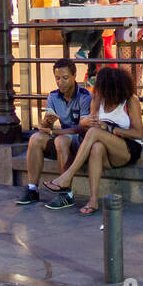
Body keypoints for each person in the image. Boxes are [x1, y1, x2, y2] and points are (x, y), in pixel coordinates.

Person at [41, 66, 143, 214]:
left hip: (125, 149)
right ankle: (93, 201)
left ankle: (67, 176)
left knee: (96, 133)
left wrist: (110, 129)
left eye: (100, 85)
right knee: (96, 146)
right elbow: (88, 125)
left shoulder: (130, 100)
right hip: (102, 150)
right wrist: (85, 123)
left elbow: (138, 133)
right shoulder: (97, 99)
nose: (97, 88)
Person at [16, 58, 91, 208]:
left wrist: (55, 131)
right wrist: (46, 124)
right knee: (36, 138)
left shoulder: (85, 96)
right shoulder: (53, 96)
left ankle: (66, 194)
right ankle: (32, 189)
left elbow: (82, 128)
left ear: (74, 76)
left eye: (65, 78)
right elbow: (46, 125)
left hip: (80, 141)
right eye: (57, 78)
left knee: (61, 140)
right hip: (61, 136)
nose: (60, 82)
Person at [113, 0, 143, 90]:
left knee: (124, 68)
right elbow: (141, 8)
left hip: (122, 32)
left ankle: (126, 96)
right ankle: (139, 98)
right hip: (138, 30)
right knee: (139, 67)